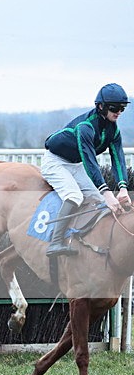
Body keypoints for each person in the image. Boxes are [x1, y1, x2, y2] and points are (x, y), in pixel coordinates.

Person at [41, 82, 131, 256]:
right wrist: (108, 193)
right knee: (74, 196)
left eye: (122, 108)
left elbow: (118, 158)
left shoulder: (113, 130)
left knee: (99, 200)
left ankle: (83, 237)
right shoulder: (85, 127)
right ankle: (55, 242)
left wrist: (123, 188)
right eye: (114, 107)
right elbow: (90, 161)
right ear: (101, 106)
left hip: (75, 164)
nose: (119, 112)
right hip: (55, 162)